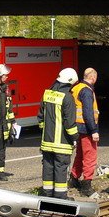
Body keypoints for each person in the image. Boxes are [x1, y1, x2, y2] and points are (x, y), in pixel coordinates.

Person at [38, 67, 79, 199]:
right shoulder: (67, 97)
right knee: (61, 169)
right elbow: (69, 122)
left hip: (46, 142)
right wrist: (75, 137)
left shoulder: (47, 94)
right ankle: (60, 197)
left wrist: (46, 132)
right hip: (61, 143)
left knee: (48, 168)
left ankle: (47, 194)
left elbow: (40, 117)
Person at [68, 67, 100, 197]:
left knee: (80, 155)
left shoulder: (75, 88)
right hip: (86, 128)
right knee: (90, 156)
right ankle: (86, 186)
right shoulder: (86, 91)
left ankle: (74, 179)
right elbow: (88, 112)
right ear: (93, 77)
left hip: (77, 127)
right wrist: (94, 130)